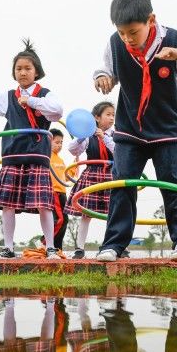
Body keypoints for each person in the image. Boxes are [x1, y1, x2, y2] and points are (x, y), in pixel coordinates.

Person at [93, 0, 177, 263]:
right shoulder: (115, 43)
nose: (127, 39)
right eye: (122, 32)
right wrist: (103, 77)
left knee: (175, 186)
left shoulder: (173, 38)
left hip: (167, 131)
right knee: (122, 185)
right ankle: (113, 245)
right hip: (129, 131)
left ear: (151, 20)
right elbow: (106, 70)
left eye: (133, 33)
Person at [0, 40, 63, 259]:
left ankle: (51, 247)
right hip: (13, 156)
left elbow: (57, 112)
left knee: (44, 204)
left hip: (37, 157)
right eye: (18, 68)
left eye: (27, 68)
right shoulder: (9, 97)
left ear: (37, 72)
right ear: (13, 72)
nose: (23, 72)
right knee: (8, 204)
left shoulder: (45, 94)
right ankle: (8, 247)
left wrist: (32, 101)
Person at [66, 102, 116, 259]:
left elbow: (118, 152)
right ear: (96, 117)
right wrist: (81, 137)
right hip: (92, 174)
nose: (111, 118)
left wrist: (105, 137)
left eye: (113, 115)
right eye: (108, 114)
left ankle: (112, 245)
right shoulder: (88, 136)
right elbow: (73, 149)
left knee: (114, 212)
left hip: (111, 175)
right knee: (86, 214)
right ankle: (80, 248)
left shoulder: (116, 135)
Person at [49, 129, 72, 254]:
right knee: (60, 220)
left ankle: (58, 249)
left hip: (62, 192)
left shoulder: (60, 160)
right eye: (57, 142)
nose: (59, 145)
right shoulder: (47, 156)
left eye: (61, 142)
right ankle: (44, 243)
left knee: (64, 220)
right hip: (54, 192)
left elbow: (65, 177)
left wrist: (75, 166)